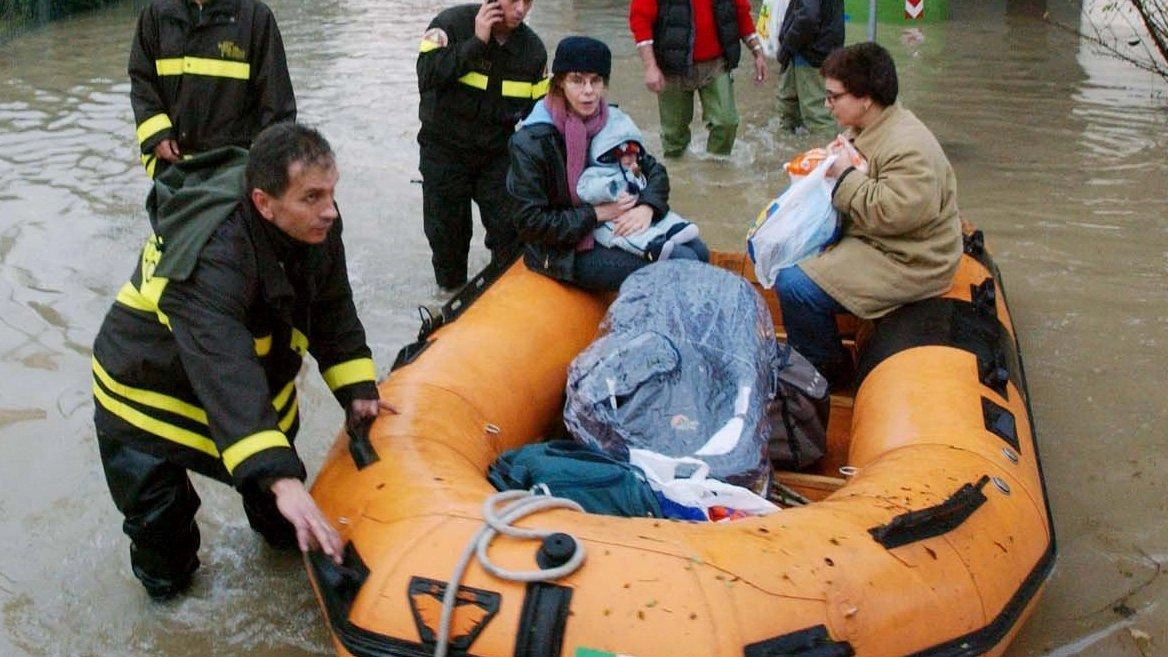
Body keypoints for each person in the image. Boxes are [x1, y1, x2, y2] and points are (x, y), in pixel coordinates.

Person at [91, 123, 394, 601]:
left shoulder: (316, 224)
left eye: (332, 193)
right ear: (263, 202)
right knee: (164, 538)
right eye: (312, 197)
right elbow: (223, 366)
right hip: (147, 391)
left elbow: (331, 305)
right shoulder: (215, 252)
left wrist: (356, 389)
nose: (330, 211)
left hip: (249, 384)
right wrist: (278, 474)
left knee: (280, 518)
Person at [774, 42, 963, 389]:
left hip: (910, 259)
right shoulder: (867, 128)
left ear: (865, 97)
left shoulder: (908, 146)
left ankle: (827, 373)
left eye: (834, 97)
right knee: (785, 254)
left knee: (794, 284)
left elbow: (892, 213)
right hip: (880, 242)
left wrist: (844, 176)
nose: (827, 105)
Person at [507, 36, 710, 292]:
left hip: (615, 226)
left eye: (596, 80)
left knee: (699, 250)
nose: (588, 91)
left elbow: (654, 170)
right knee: (683, 262)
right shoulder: (531, 140)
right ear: (559, 83)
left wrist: (647, 206)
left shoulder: (612, 122)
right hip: (564, 250)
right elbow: (530, 223)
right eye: (577, 80)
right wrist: (598, 214)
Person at [417, 0, 547, 296]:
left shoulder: (532, 50)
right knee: (448, 235)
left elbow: (540, 117)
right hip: (444, 151)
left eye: (527, 2)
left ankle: (504, 296)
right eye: (513, 0)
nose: (520, 9)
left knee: (511, 230)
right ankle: (449, 296)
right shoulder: (450, 24)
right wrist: (476, 43)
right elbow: (426, 76)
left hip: (496, 154)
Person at [128, 0, 296, 178]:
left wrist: (261, 172)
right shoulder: (154, 16)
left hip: (237, 176)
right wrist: (157, 137)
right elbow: (142, 83)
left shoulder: (257, 19)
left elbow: (277, 109)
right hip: (172, 172)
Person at [629, 0, 768, 158]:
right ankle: (677, 175)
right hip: (671, 65)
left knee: (726, 122)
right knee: (674, 136)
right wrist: (650, 67)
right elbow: (640, 20)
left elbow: (740, 11)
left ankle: (716, 169)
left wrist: (757, 52)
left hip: (716, 63)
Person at [575, 112, 702, 262]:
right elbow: (586, 189)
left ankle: (675, 228)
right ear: (610, 154)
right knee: (631, 234)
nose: (631, 157)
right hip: (611, 223)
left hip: (637, 209)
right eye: (624, 153)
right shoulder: (598, 172)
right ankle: (653, 244)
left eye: (634, 151)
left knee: (698, 249)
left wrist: (646, 204)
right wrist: (610, 189)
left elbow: (651, 177)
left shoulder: (634, 166)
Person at [775, 0, 845, 136]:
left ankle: (827, 154)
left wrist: (787, 47)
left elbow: (808, 16)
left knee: (818, 117)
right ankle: (792, 153)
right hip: (810, 50)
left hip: (811, 53)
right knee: (788, 109)